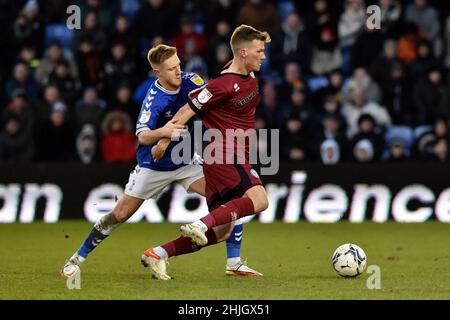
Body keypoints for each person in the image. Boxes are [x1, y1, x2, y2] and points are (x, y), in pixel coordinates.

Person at [60, 44, 260, 278]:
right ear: (158, 73)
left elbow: (203, 105)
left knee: (232, 197)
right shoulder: (154, 99)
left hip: (186, 160)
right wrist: (163, 134)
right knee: (120, 214)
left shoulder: (191, 80)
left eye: (178, 65)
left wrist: (166, 140)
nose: (178, 71)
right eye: (171, 68)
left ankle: (233, 262)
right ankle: (76, 259)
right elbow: (143, 136)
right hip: (153, 166)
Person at [142, 25, 270, 279]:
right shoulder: (222, 85)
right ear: (243, 53)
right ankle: (200, 223)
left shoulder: (246, 75)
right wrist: (165, 141)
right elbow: (185, 112)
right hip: (224, 153)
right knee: (259, 200)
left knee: (221, 232)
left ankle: (158, 253)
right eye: (259, 51)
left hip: (230, 155)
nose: (263, 56)